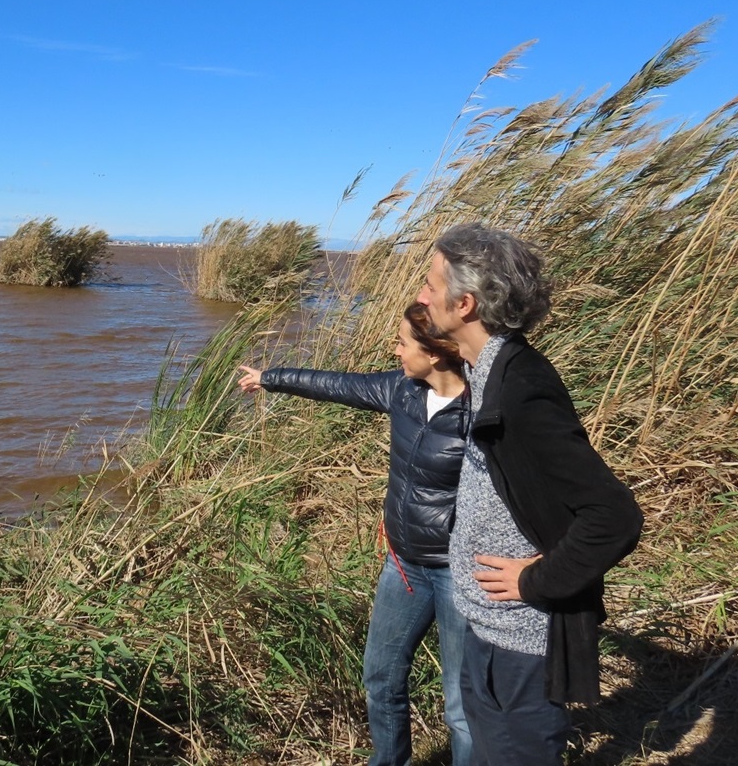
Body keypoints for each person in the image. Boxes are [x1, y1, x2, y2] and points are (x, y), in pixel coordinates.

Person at [416, 222, 643, 766]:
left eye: (429, 283)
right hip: (486, 626)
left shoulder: (522, 387)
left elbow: (614, 516)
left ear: (465, 303)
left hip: (520, 639)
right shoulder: (487, 373)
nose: (421, 295)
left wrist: (538, 580)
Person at [238, 303, 473, 766]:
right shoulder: (402, 390)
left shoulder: (483, 413)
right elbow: (338, 384)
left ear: (437, 353)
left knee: (461, 705)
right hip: (404, 564)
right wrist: (271, 377)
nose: (395, 350)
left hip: (459, 573)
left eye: (404, 342)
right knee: (381, 678)